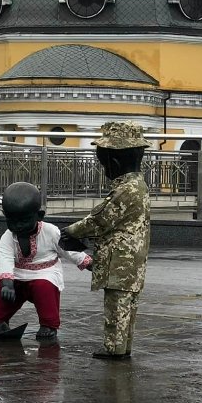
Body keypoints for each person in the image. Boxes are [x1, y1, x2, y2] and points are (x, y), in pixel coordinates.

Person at [60, 121, 150, 360]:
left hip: (120, 259)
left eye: (105, 164)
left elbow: (100, 219)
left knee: (116, 308)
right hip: (132, 260)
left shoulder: (126, 189)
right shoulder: (137, 185)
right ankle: (123, 347)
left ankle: (114, 349)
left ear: (115, 161)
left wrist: (70, 231)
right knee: (128, 307)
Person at [0, 182, 93, 340]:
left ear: (39, 216)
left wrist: (87, 263)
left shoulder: (50, 231)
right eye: (12, 221)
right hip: (17, 275)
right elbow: (4, 258)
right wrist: (7, 283)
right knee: (1, 286)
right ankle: (1, 321)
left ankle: (48, 325)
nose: (17, 226)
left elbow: (66, 250)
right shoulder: (7, 237)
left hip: (45, 273)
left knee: (44, 287)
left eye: (23, 221)